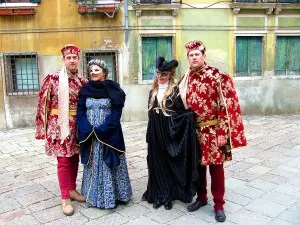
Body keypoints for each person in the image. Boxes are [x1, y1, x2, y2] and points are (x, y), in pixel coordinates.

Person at [179, 40, 247, 222]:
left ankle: (218, 204)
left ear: (204, 56)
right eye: (191, 55)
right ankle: (201, 198)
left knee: (216, 168)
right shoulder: (186, 78)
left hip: (213, 129)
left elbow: (227, 105)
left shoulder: (217, 76)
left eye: (197, 55)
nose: (194, 58)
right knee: (198, 166)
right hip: (194, 131)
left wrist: (223, 131)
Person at [36, 44, 88, 216]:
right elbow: (43, 104)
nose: (72, 60)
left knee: (74, 157)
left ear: (78, 60)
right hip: (59, 125)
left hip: (77, 125)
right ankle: (65, 197)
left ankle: (72, 189)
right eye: (69, 58)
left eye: (75, 57)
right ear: (63, 60)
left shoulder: (83, 81)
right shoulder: (53, 79)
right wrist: (42, 128)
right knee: (64, 161)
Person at [142, 56, 199, 210]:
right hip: (155, 132)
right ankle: (157, 193)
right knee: (155, 163)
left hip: (169, 132)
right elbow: (150, 114)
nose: (161, 77)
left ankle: (168, 195)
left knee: (168, 163)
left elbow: (181, 113)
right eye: (159, 74)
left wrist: (189, 117)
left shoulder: (175, 92)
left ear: (170, 75)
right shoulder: (152, 92)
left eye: (165, 74)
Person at [76, 59, 132, 209]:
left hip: (109, 133)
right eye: (91, 70)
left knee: (110, 162)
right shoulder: (85, 90)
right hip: (91, 134)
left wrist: (104, 128)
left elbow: (116, 111)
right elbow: (80, 111)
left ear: (104, 72)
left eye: (97, 70)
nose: (93, 72)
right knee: (93, 162)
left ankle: (115, 195)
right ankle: (93, 195)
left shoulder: (113, 89)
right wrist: (86, 127)